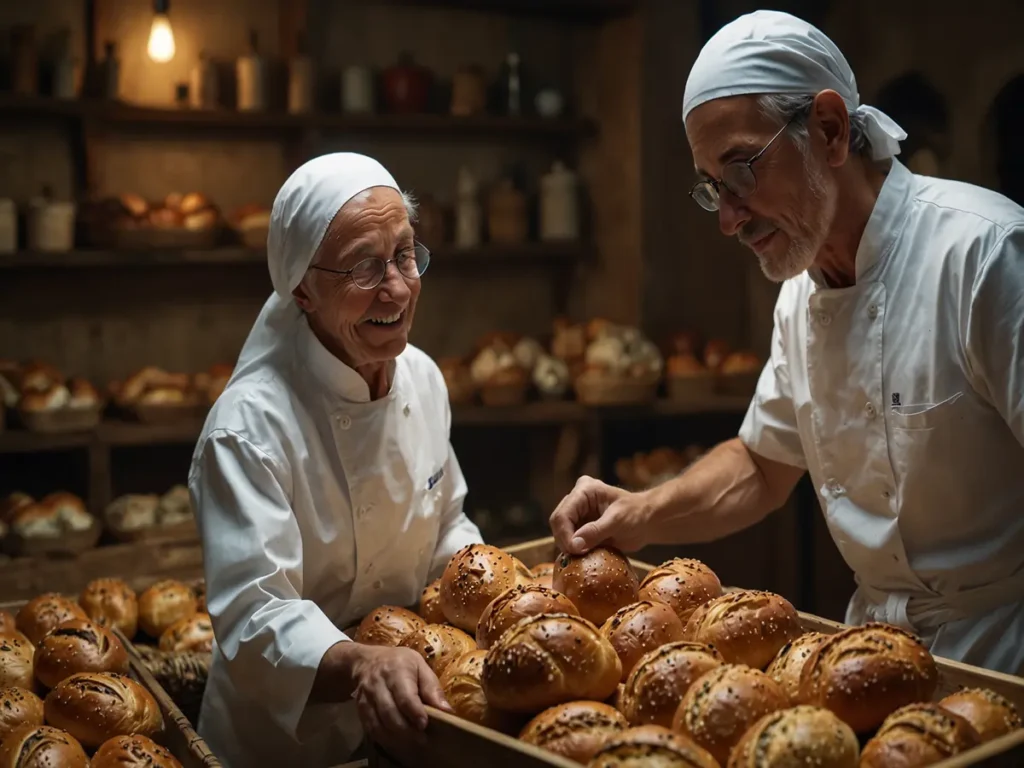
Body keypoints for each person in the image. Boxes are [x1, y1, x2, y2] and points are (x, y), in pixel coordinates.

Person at [550, 10, 1024, 675]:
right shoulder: (802, 294)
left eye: (742, 171)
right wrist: (641, 513)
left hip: (1007, 652)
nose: (729, 218)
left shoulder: (985, 256)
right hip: (872, 660)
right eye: (713, 188)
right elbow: (763, 464)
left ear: (829, 131)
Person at [188, 152, 483, 767]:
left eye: (405, 254)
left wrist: (492, 588)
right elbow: (254, 616)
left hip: (405, 725)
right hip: (276, 747)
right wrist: (362, 663)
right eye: (363, 267)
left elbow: (446, 525)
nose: (397, 287)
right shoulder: (249, 428)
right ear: (301, 288)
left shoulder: (423, 380)